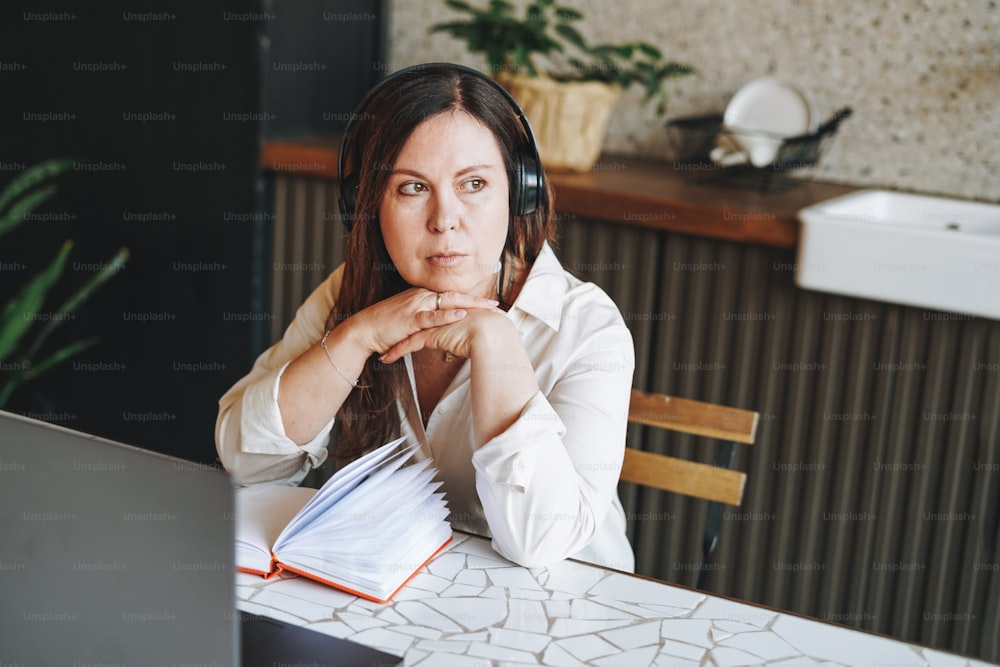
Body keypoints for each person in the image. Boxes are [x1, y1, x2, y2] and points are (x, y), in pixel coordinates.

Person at [216, 63, 635, 572]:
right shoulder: (349, 293)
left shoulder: (588, 328)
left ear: (518, 193)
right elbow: (248, 462)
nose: (444, 219)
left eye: (474, 183)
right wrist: (357, 336)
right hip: (402, 602)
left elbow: (540, 542)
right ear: (367, 205)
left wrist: (498, 346)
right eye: (412, 188)